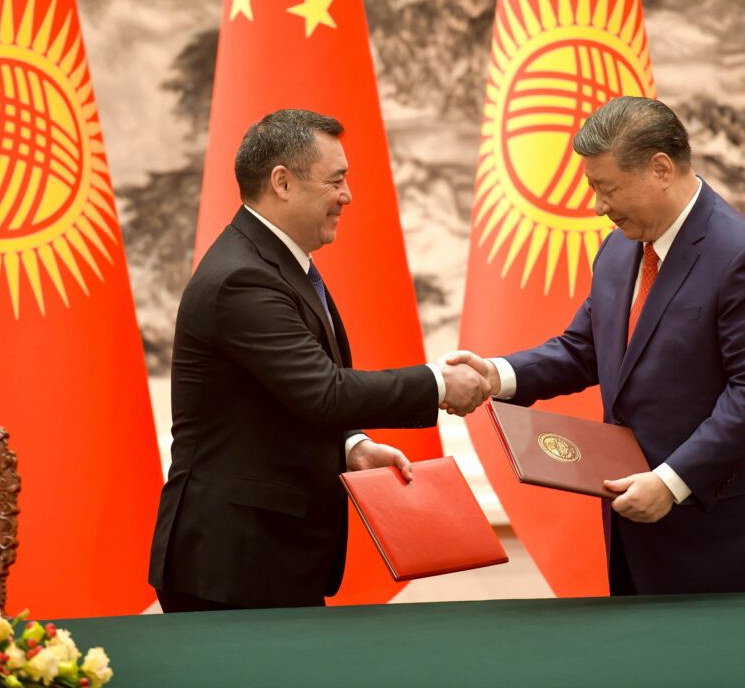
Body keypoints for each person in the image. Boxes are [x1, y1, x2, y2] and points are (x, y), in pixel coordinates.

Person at [453, 96, 745, 595]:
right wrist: (496, 375)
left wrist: (671, 482)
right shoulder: (620, 248)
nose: (598, 207)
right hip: (638, 530)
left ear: (660, 169)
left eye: (607, 189)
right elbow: (584, 348)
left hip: (730, 536)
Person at [149, 109, 491, 611]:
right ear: (282, 183)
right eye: (335, 180)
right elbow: (324, 391)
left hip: (266, 555)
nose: (347, 195)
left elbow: (281, 397)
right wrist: (438, 384)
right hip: (231, 562)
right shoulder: (242, 278)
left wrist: (350, 446)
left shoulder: (275, 262)